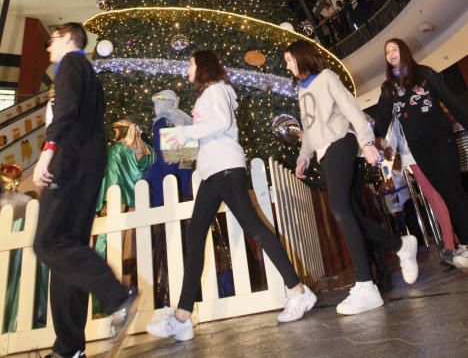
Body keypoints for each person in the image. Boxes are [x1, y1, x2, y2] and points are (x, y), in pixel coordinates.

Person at [146, 50, 315, 342]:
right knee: (197, 236)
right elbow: (213, 134)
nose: (187, 67)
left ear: (202, 66)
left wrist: (186, 133)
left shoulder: (216, 91)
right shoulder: (207, 96)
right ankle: (183, 317)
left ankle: (298, 290)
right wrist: (187, 147)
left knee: (255, 229)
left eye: (190, 63)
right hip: (215, 171)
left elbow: (221, 123)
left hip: (225, 170)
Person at [284, 39, 418, 316]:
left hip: (341, 143)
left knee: (339, 208)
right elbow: (309, 128)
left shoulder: (326, 77)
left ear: (302, 58)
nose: (287, 66)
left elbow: (349, 107)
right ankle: (401, 245)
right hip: (324, 152)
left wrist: (367, 141)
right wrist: (303, 156)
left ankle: (366, 285)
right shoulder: (301, 90)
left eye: (289, 60)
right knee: (350, 213)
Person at [32, 23, 138, 358]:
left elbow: (64, 113)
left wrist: (47, 152)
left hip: (70, 164)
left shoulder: (72, 64)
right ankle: (69, 348)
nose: (48, 48)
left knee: (48, 243)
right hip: (86, 166)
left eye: (51, 40)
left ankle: (117, 296)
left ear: (67, 39)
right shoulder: (87, 72)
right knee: (68, 252)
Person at [375, 38, 468, 270]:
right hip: (418, 146)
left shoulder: (424, 73)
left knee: (453, 190)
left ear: (404, 51)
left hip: (440, 138)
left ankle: (465, 243)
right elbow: (382, 120)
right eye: (387, 52)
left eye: (394, 49)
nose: (391, 54)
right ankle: (461, 244)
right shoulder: (388, 88)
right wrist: (372, 141)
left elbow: (450, 99)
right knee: (446, 193)